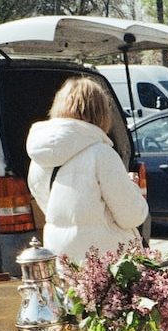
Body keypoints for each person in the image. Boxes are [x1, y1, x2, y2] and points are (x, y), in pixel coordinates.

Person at [27, 77, 148, 262]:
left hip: (62, 257)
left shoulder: (38, 159)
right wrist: (132, 186)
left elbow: (56, 212)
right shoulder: (101, 154)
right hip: (105, 260)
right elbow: (131, 217)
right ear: (101, 112)